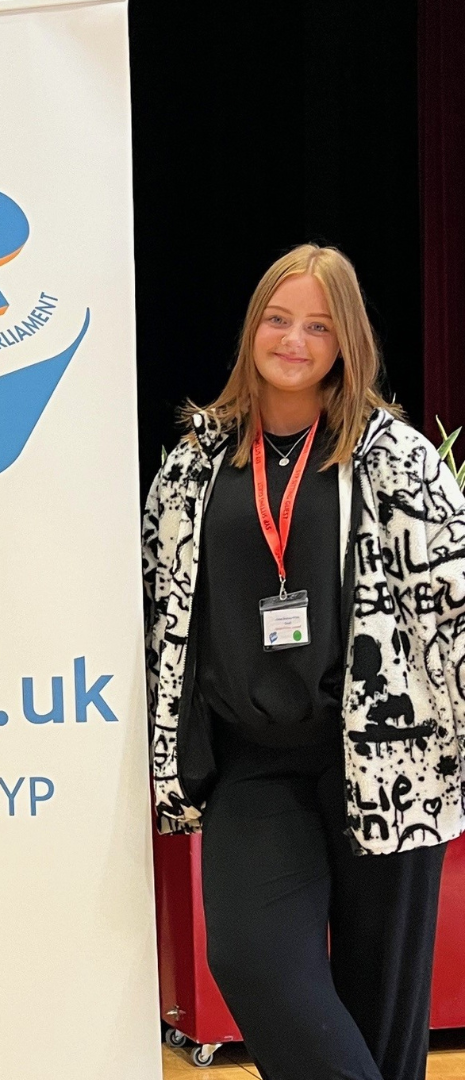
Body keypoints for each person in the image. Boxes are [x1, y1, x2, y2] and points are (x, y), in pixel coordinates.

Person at [143, 244, 465, 1080]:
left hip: (387, 764)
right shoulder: (192, 467)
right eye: (279, 319)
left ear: (346, 341)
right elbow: (154, 610)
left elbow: (453, 613)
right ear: (253, 327)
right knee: (252, 957)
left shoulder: (399, 460)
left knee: (382, 1018)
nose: (294, 340)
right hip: (255, 762)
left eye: (318, 325)